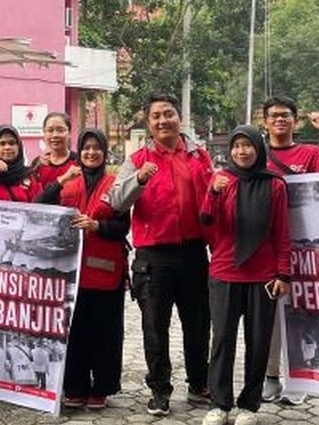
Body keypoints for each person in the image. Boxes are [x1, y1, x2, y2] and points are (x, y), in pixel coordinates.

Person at [108, 94, 213, 416]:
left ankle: (199, 383)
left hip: (194, 252)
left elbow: (213, 198)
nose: (163, 120)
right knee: (155, 326)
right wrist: (138, 179)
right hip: (153, 257)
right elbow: (116, 201)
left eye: (169, 114)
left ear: (179, 117)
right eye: (156, 116)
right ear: (148, 122)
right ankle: (159, 389)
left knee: (198, 323)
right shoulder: (137, 159)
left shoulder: (198, 155)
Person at [198, 126, 291, 425]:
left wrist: (284, 274)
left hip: (263, 277)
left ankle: (249, 405)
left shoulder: (275, 185)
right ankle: (219, 404)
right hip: (225, 272)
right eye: (236, 145)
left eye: (248, 145)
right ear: (230, 150)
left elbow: (282, 232)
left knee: (259, 342)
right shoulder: (222, 180)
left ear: (258, 149)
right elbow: (206, 220)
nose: (242, 151)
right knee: (222, 340)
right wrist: (213, 193)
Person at [35, 128, 130, 410]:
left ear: (104, 152)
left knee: (105, 333)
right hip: (70, 273)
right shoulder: (68, 182)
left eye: (96, 148)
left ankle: (101, 388)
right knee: (74, 333)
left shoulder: (115, 184)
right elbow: (38, 206)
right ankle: (75, 387)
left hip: (106, 272)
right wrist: (60, 181)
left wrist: (97, 225)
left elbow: (123, 226)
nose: (91, 152)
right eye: (86, 147)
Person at [258, 95, 319, 403]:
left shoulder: (311, 154)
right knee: (270, 317)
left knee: (302, 313)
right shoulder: (256, 154)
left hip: (306, 247)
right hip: (267, 248)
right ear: (265, 122)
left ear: (296, 120)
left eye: (286, 115)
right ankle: (270, 376)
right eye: (274, 115)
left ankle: (300, 379)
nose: (280, 119)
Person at [31, 112, 79, 195]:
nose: (55, 135)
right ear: (44, 133)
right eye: (50, 130)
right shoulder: (38, 163)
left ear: (69, 133)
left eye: (60, 130)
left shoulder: (78, 161)